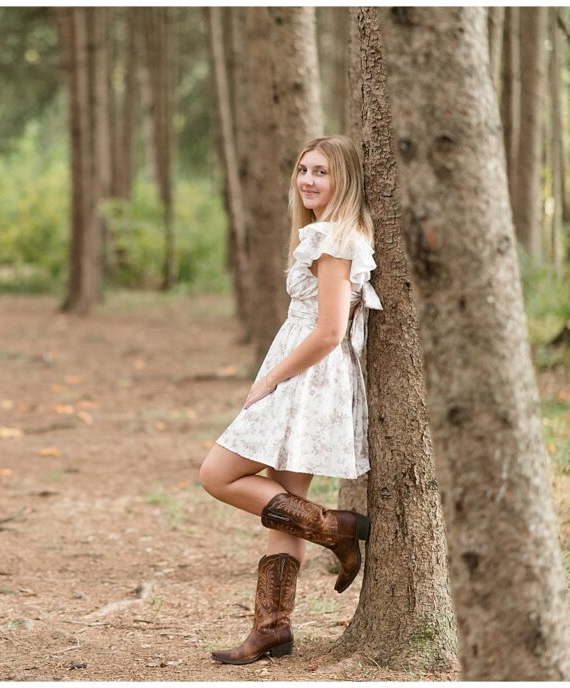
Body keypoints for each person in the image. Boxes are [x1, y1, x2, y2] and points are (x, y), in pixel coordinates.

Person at [198, 135, 382, 665]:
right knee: (285, 506)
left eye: (321, 172)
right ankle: (274, 628)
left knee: (217, 474)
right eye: (303, 169)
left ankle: (336, 527)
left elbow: (327, 331)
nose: (307, 180)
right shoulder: (332, 234)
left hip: (305, 375)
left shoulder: (331, 238)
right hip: (309, 371)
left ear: (342, 179)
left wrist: (269, 381)